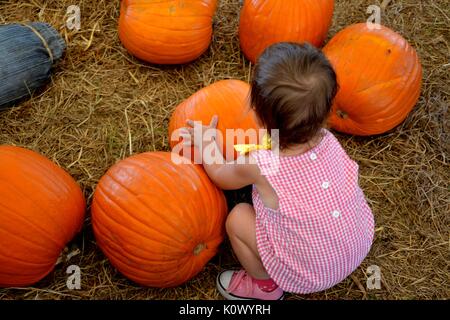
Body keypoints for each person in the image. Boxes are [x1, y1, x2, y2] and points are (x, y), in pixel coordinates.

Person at [180, 42, 375, 300]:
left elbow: (220, 174)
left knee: (237, 218)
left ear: (259, 116)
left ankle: (265, 288)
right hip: (356, 245)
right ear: (327, 112)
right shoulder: (329, 141)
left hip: (308, 272)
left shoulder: (260, 164)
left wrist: (207, 144)